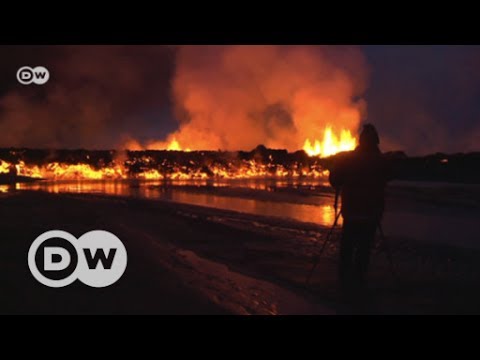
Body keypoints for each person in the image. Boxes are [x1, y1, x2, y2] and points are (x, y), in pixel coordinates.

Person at [329, 124, 391, 299]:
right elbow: (391, 174)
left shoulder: (350, 159)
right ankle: (358, 283)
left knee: (347, 248)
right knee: (364, 250)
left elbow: (334, 180)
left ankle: (343, 283)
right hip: (371, 213)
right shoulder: (380, 161)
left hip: (352, 211)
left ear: (360, 140)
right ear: (376, 141)